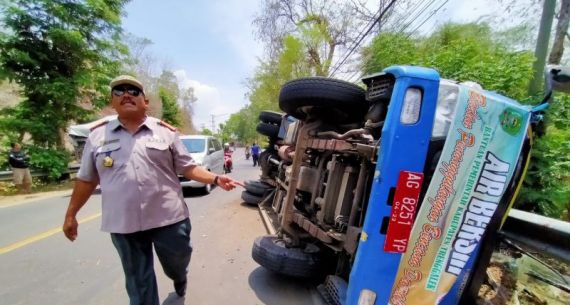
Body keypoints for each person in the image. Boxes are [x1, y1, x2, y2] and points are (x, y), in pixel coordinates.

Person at [62, 75, 243, 305]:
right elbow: (86, 179)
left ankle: (179, 277)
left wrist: (216, 178)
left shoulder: (165, 132)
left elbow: (188, 167)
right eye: (118, 91)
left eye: (133, 91)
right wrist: (71, 214)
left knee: (177, 259)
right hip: (123, 224)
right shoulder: (97, 137)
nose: (126, 94)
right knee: (139, 283)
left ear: (145, 101)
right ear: (111, 101)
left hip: (169, 218)